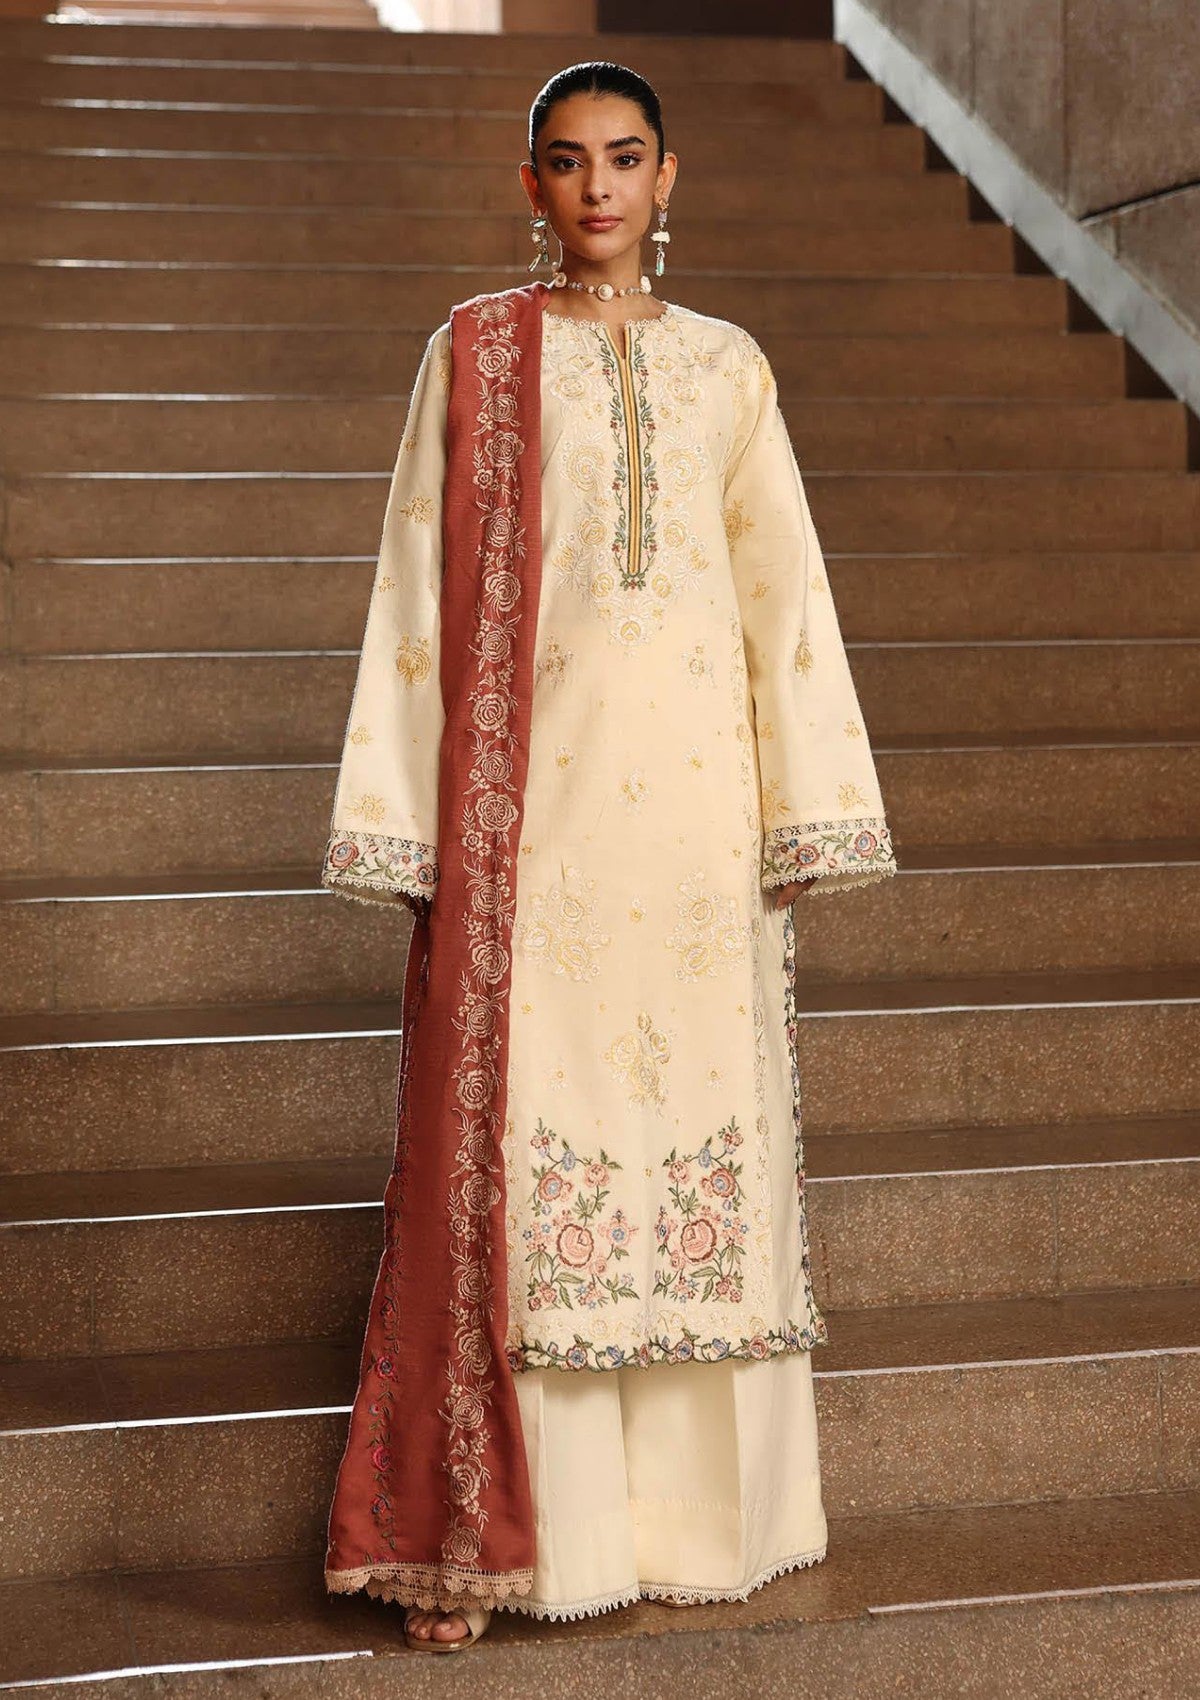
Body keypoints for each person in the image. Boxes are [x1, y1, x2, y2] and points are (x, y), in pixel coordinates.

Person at [318, 59, 897, 1654]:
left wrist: (800, 811)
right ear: (532, 184)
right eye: (568, 163)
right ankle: (524, 1542)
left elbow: (784, 597)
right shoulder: (475, 353)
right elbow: (415, 592)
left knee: (702, 1141)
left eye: (625, 159)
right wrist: (409, 824)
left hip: (700, 839)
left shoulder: (727, 367)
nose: (597, 190)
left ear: (667, 176)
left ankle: (715, 1528)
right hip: (540, 838)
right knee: (539, 1149)